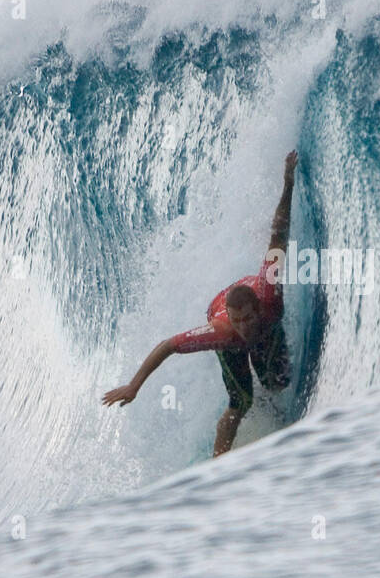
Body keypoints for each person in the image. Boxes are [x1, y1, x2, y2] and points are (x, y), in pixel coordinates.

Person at [103, 151, 297, 455]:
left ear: (257, 310)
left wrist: (288, 183)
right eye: (239, 321)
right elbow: (168, 345)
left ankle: (271, 401)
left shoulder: (269, 295)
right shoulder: (223, 331)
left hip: (250, 299)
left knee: (278, 381)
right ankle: (218, 466)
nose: (244, 327)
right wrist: (134, 386)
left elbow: (279, 235)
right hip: (220, 307)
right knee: (240, 402)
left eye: (248, 319)